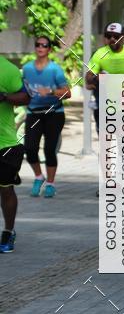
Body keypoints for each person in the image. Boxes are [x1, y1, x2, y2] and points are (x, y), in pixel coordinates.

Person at [22, 36, 71, 197]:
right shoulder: (27, 68)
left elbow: (67, 93)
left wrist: (50, 91)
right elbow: (23, 90)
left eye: (44, 45)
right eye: (38, 45)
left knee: (49, 149)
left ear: (49, 49)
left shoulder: (55, 69)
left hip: (53, 113)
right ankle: (38, 177)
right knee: (30, 148)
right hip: (34, 113)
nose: (40, 47)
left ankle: (50, 183)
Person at [0, 56, 29, 253]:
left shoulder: (7, 69)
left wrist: (4, 97)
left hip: (5, 144)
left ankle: (8, 232)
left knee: (5, 189)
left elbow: (25, 97)